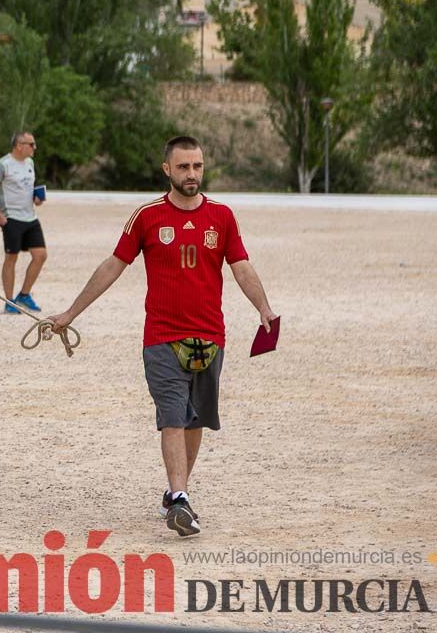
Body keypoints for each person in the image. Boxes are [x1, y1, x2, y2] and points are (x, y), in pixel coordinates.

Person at [47, 136, 275, 537]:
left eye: (198, 167)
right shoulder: (147, 217)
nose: (192, 174)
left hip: (211, 337)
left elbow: (241, 267)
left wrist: (264, 307)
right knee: (173, 414)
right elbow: (112, 266)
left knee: (195, 420)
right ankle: (182, 498)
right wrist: (69, 313)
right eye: (184, 167)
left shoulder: (222, 217)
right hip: (162, 338)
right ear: (167, 169)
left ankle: (174, 491)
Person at [0, 131, 47, 314]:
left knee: (41, 255)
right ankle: (9, 301)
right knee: (11, 258)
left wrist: (37, 199)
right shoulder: (3, 164)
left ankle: (24, 295)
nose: (34, 147)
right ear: (19, 145)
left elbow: (28, 187)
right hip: (11, 218)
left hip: (31, 217)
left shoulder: (30, 162)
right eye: (31, 144)